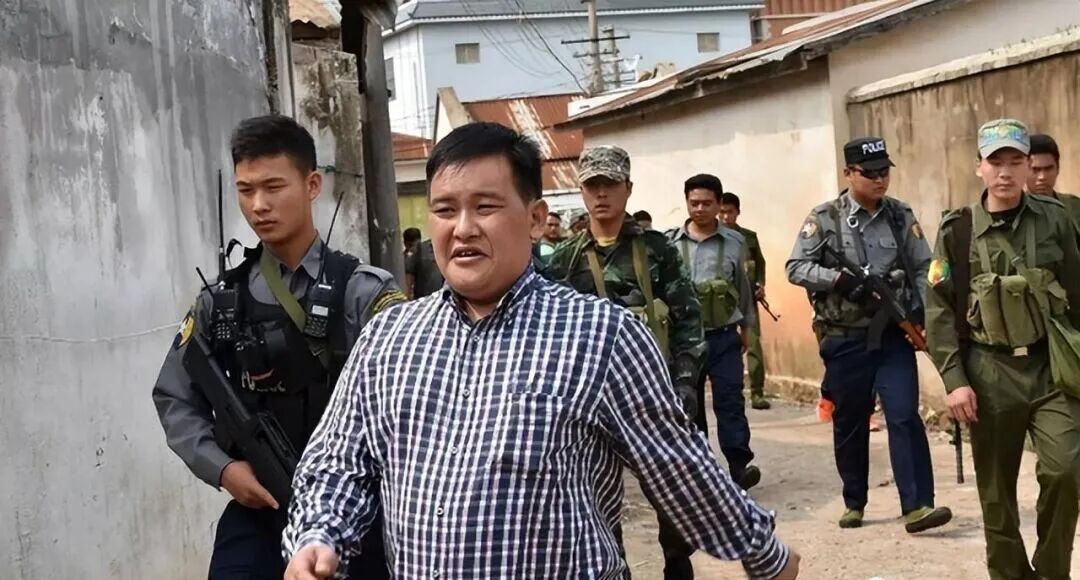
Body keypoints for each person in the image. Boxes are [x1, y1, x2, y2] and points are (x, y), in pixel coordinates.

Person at [283, 122, 800, 580]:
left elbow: (678, 467)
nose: (462, 228)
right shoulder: (389, 338)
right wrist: (318, 536)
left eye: (485, 207)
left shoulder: (601, 336)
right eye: (445, 210)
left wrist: (764, 554)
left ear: (534, 219)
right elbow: (337, 461)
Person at [152, 115, 404, 579]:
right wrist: (224, 469)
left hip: (354, 516)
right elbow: (175, 397)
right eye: (246, 190)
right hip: (262, 507)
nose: (259, 205)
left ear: (312, 185)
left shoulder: (362, 293)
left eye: (273, 187)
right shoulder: (219, 301)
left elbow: (410, 404)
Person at [926, 119, 1080, 580]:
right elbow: (938, 309)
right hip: (988, 371)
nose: (1006, 172)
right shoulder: (957, 230)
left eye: (1016, 161)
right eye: (996, 162)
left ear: (1028, 165)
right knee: (996, 494)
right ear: (979, 166)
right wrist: (954, 380)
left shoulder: (1055, 218)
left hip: (1049, 367)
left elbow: (1077, 290)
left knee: (1066, 470)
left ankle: (1051, 571)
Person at [544, 146, 708, 580]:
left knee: (673, 497)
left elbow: (689, 317)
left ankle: (678, 566)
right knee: (597, 504)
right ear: (582, 192)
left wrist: (685, 382)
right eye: (592, 185)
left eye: (610, 184)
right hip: (590, 401)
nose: (601, 194)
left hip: (655, 395)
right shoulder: (565, 259)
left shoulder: (658, 250)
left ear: (628, 189)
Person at [785, 136, 952, 533]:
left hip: (892, 335)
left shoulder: (900, 215)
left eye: (884, 172)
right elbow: (795, 267)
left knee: (903, 415)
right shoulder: (825, 218)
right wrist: (837, 280)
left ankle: (918, 505)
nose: (880, 180)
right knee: (850, 421)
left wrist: (921, 310)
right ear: (849, 173)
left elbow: (925, 266)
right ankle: (854, 501)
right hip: (844, 337)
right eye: (870, 173)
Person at [668, 174, 763, 491]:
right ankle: (702, 470)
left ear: (718, 204)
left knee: (730, 400)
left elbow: (743, 290)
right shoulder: (670, 244)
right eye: (694, 203)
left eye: (707, 203)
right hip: (686, 341)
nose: (700, 209)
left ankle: (739, 465)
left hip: (724, 336)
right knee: (689, 405)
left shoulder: (735, 243)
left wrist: (747, 330)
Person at [720, 191, 772, 410]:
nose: (725, 217)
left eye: (729, 212)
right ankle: (730, 391)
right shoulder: (714, 238)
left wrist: (760, 284)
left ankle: (757, 392)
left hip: (747, 298)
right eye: (722, 212)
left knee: (753, 345)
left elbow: (759, 263)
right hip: (722, 302)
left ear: (738, 212)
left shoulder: (749, 238)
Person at [1027, 133, 1080, 231]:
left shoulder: (1074, 207)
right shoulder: (1015, 211)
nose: (1042, 177)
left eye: (1048, 169)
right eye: (1035, 170)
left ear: (1058, 168)